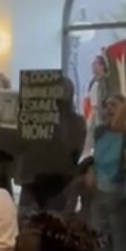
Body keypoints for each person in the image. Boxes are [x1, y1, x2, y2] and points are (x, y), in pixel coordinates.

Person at [17, 78, 87, 214]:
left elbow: (73, 151)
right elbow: (19, 144)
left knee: (54, 226)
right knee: (28, 226)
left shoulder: (76, 121)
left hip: (59, 180)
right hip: (32, 178)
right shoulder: (31, 118)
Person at [91, 88, 126, 251]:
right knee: (100, 248)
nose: (109, 109)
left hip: (123, 196)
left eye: (114, 105)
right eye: (106, 106)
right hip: (100, 195)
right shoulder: (99, 132)